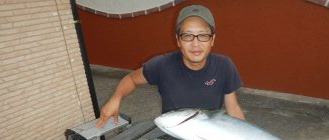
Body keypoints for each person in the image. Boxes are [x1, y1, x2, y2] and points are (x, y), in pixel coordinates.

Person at [95, 4, 245, 128]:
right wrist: (115, 98)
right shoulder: (162, 65)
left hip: (209, 136)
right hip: (173, 137)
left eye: (203, 35)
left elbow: (233, 108)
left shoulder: (224, 65)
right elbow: (132, 79)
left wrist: (246, 138)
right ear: (178, 40)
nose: (195, 43)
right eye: (187, 36)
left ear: (212, 39)